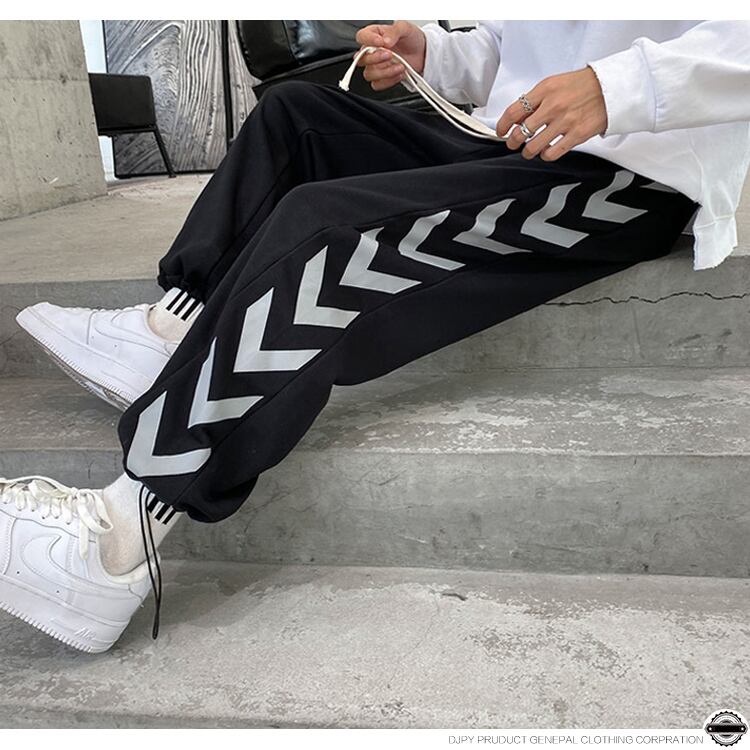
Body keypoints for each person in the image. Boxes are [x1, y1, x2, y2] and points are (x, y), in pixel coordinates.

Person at [2, 20, 749, 653]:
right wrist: (434, 51)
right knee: (295, 113)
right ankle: (174, 330)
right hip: (507, 137)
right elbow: (515, 42)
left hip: (627, 173)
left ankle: (117, 542)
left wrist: (619, 85)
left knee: (329, 238)